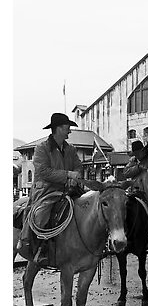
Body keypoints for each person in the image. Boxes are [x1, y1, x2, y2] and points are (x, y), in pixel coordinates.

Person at [19, 112, 83, 262]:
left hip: (68, 189)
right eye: (67, 128)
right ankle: (40, 248)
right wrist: (68, 174)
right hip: (46, 190)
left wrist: (76, 176)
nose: (70, 131)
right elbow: (43, 171)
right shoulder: (41, 148)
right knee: (41, 216)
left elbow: (78, 166)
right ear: (58, 128)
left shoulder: (71, 149)